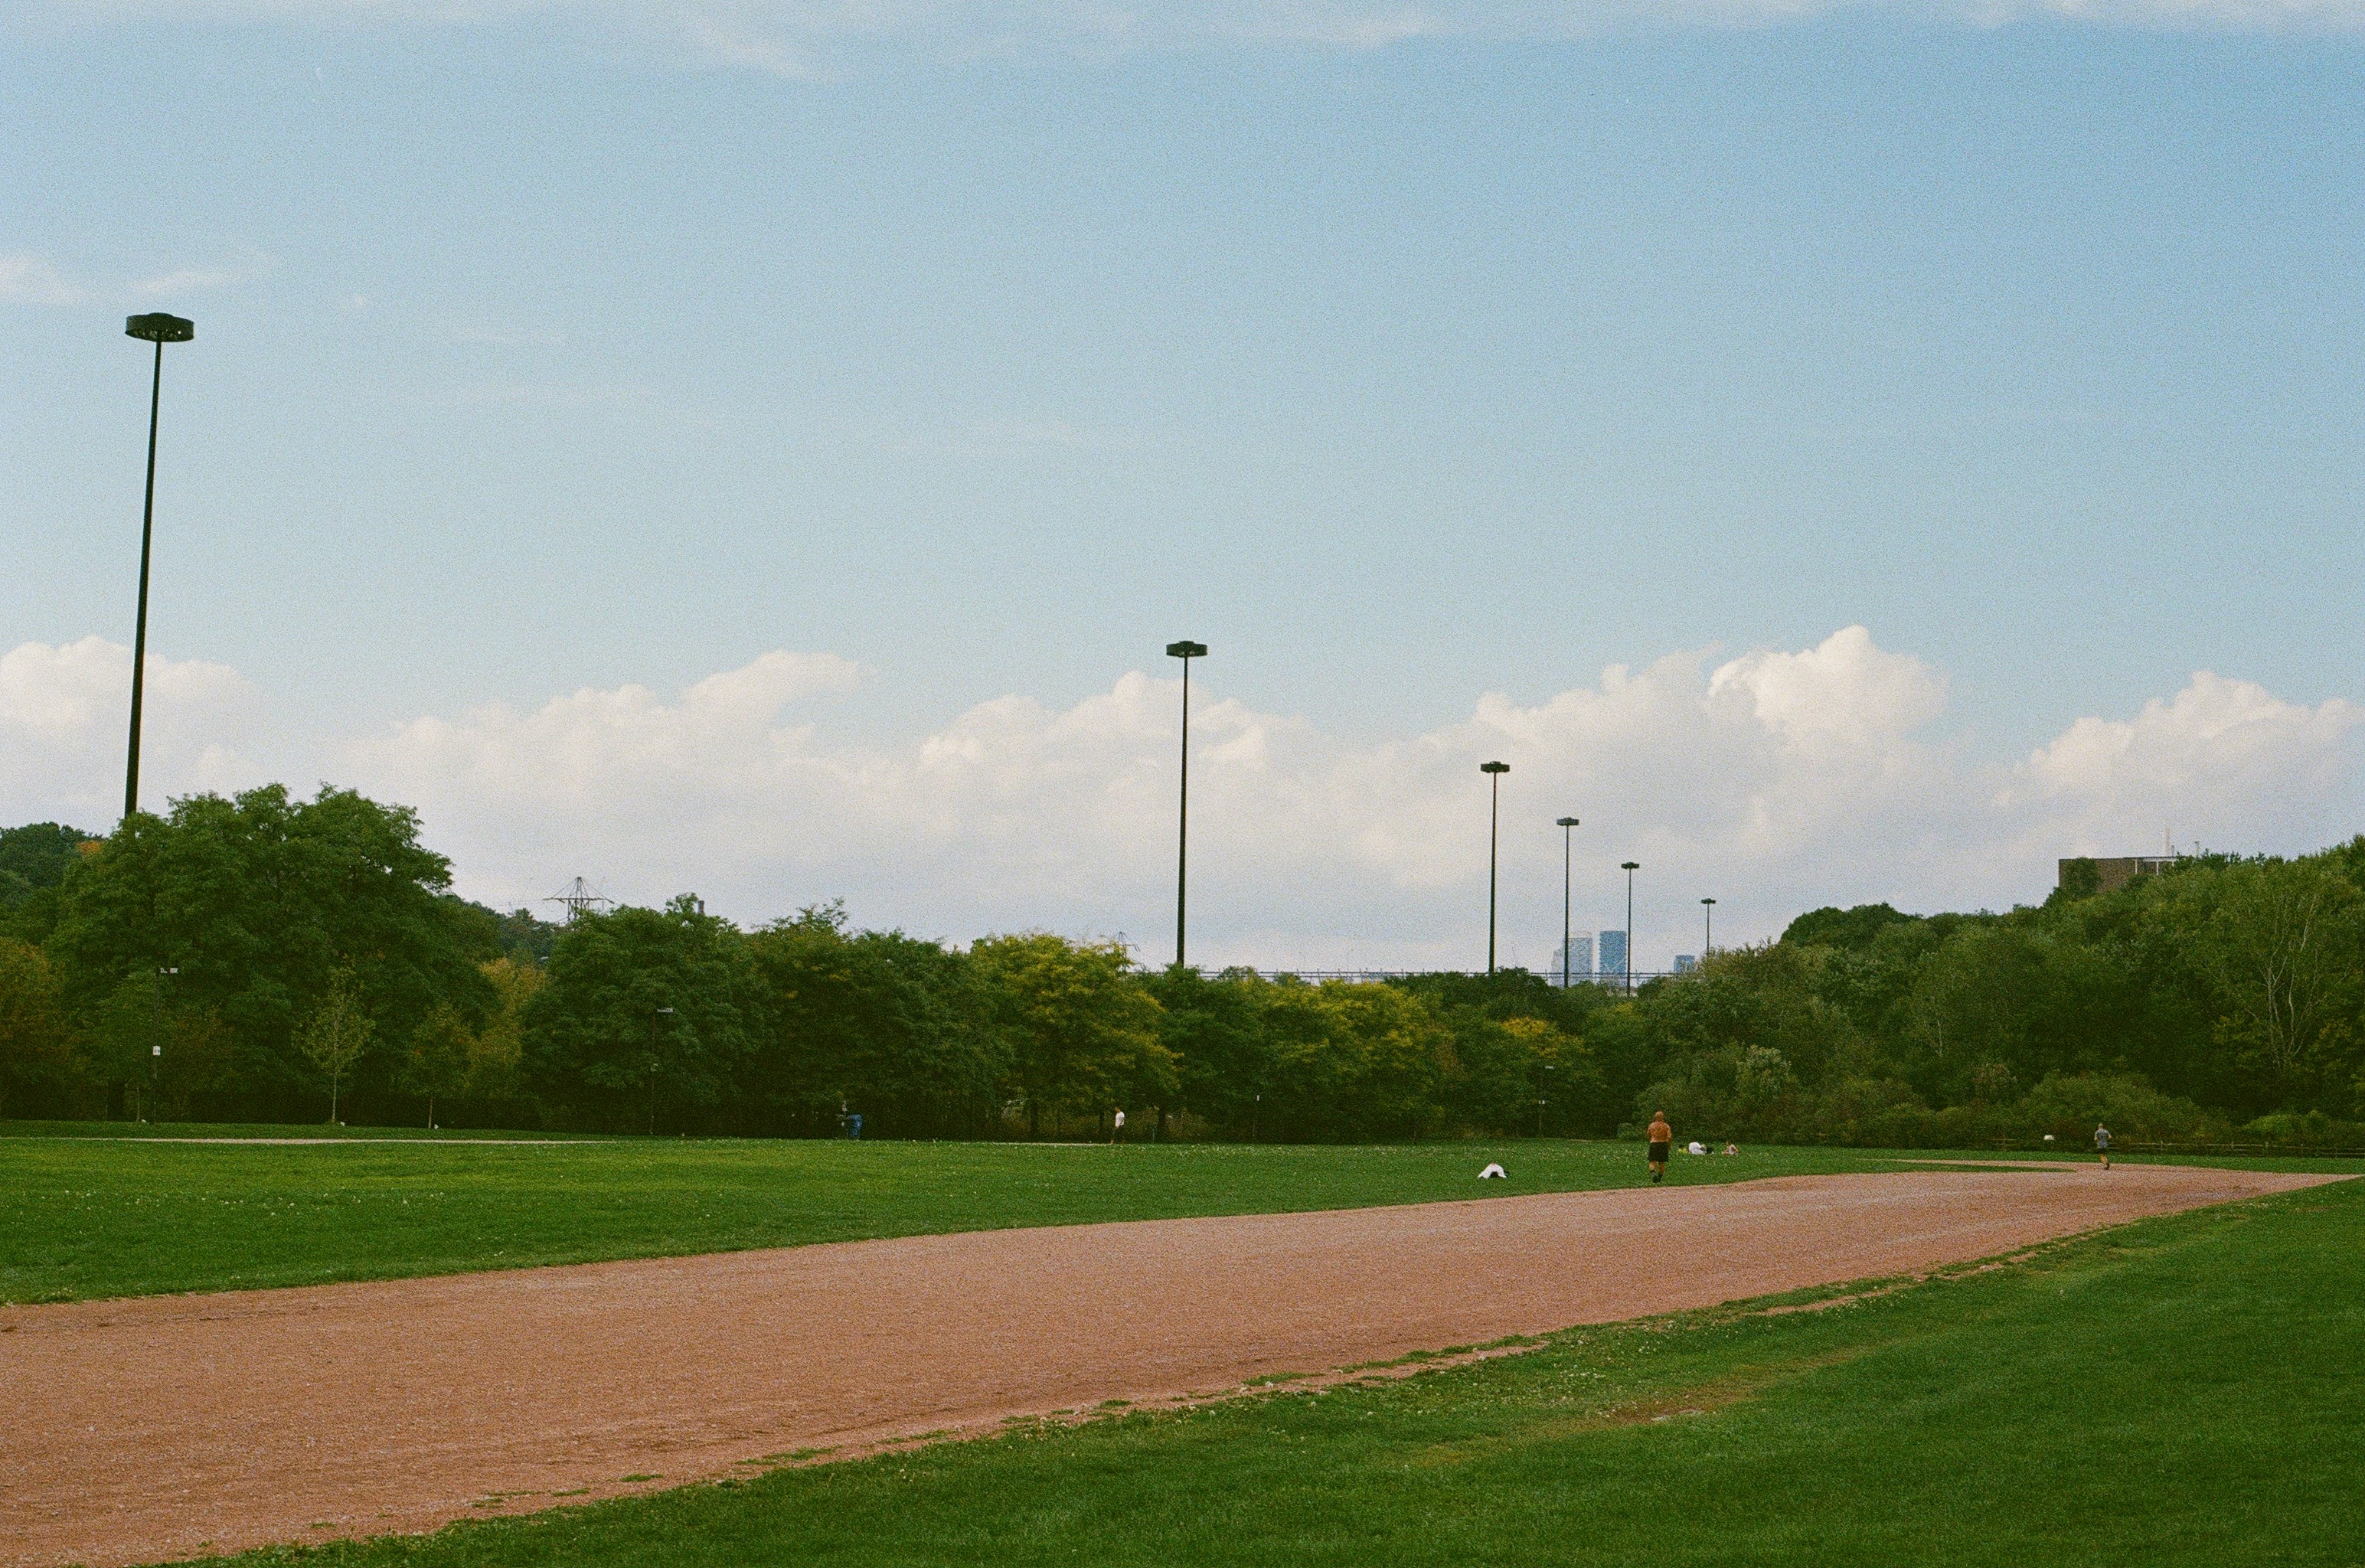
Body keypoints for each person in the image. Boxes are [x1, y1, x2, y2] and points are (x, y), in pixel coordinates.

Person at [1646, 1111, 1673, 1184]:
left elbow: (1648, 1134)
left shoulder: (1651, 1126)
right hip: (1663, 1144)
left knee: (1652, 1162)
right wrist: (1669, 1145)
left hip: (1654, 1143)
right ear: (1663, 1117)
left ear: (1655, 1117)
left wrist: (1651, 1140)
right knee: (1662, 1163)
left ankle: (1653, 1174)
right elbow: (1670, 1137)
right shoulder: (1666, 1126)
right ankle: (1659, 1179)